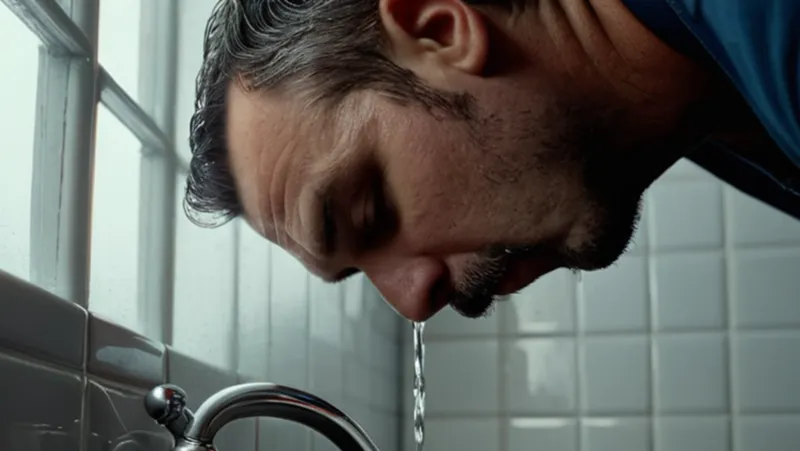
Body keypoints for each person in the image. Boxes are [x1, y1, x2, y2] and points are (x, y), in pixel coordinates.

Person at [185, 0, 800, 323]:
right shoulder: (707, 103)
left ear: (439, 29)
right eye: (358, 271)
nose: (412, 302)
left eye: (371, 210)